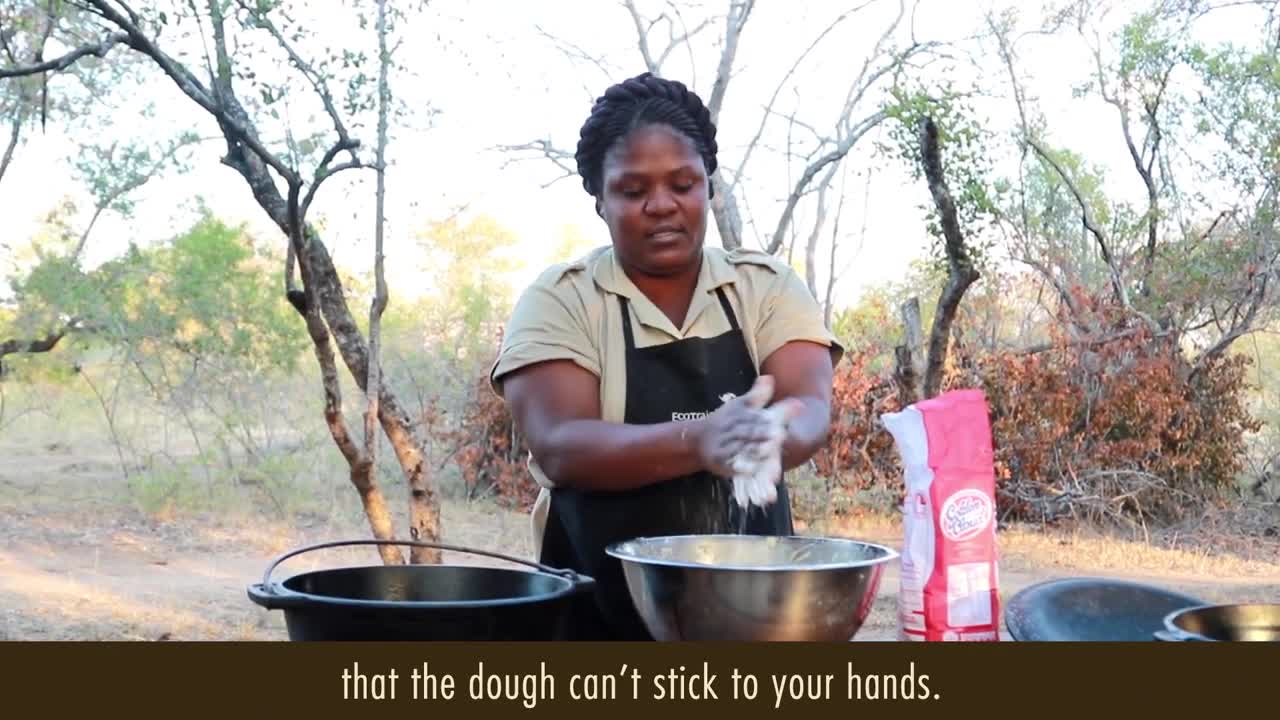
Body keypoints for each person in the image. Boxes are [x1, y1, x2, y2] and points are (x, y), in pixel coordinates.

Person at [488, 72, 844, 640]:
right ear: (599, 200)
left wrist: (771, 431)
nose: (661, 206)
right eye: (633, 191)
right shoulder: (563, 299)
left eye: (683, 183)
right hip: (594, 617)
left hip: (748, 616)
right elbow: (559, 445)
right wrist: (699, 440)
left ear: (709, 187)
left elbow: (810, 402)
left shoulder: (765, 288)